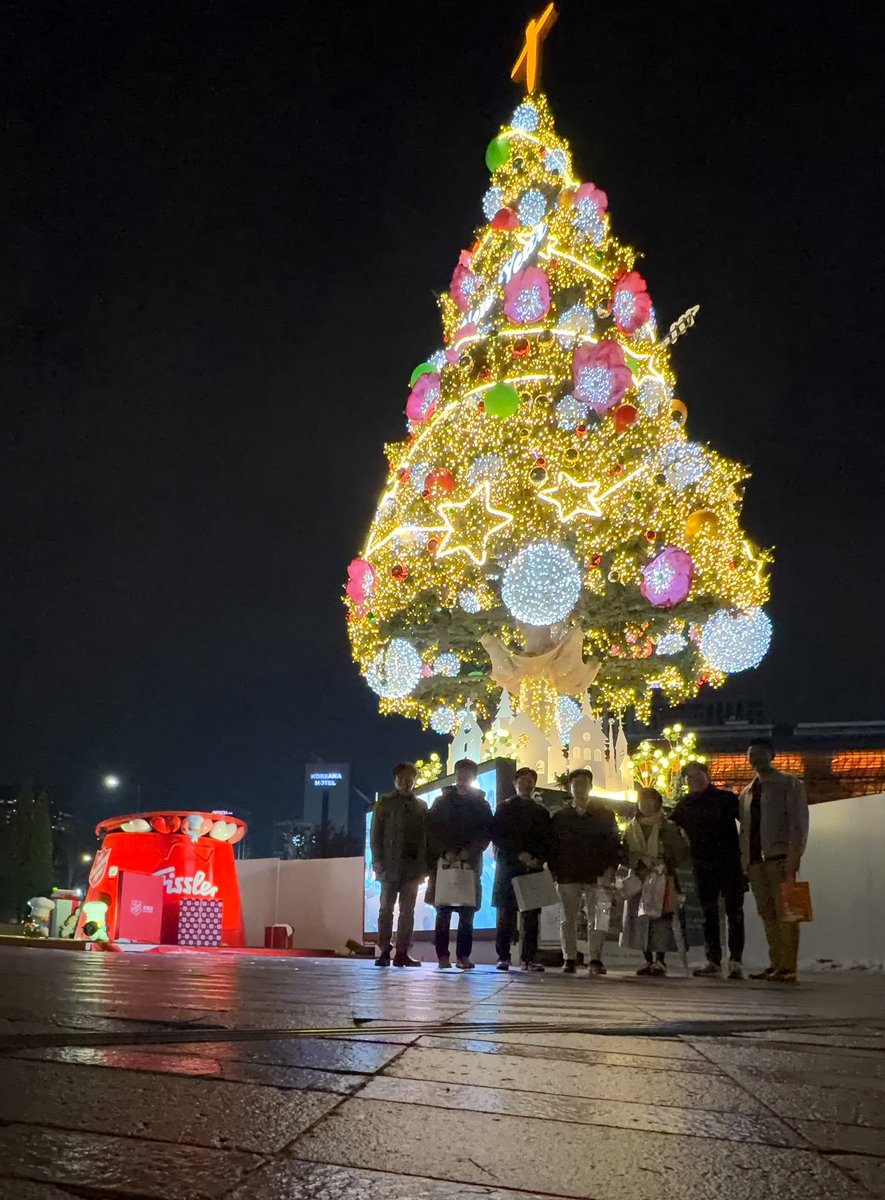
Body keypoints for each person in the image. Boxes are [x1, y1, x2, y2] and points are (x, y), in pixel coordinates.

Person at [739, 738, 809, 984]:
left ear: (772, 756)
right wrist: (745, 863)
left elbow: (798, 824)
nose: (755, 759)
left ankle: (788, 966)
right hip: (756, 863)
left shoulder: (788, 784)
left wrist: (794, 857)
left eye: (760, 754)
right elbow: (745, 831)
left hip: (779, 859)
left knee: (786, 914)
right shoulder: (747, 792)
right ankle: (775, 963)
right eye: (751, 755)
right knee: (767, 913)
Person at [672, 761, 746, 980]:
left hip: (731, 863)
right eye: (689, 778)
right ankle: (713, 960)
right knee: (708, 914)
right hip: (703, 866)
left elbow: (749, 824)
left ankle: (735, 961)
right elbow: (670, 828)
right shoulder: (685, 805)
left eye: (698, 775)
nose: (694, 780)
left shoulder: (727, 799)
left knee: (735, 913)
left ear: (707, 775)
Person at [549, 769, 621, 976]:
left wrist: (610, 869)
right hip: (567, 874)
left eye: (583, 783)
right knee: (567, 917)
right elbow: (553, 847)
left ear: (590, 786)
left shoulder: (605, 815)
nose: (579, 787)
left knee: (599, 917)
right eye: (575, 784)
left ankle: (595, 958)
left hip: (598, 873)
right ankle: (569, 958)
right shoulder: (561, 816)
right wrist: (555, 871)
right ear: (570, 788)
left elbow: (614, 844)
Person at [425, 758, 493, 970]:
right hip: (444, 862)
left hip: (470, 863)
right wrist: (444, 851)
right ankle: (442, 956)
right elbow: (431, 830)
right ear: (455, 775)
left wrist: (469, 851)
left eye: (468, 774)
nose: (463, 778)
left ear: (474, 777)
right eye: (460, 773)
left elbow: (485, 831)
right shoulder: (441, 801)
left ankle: (463, 956)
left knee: (467, 913)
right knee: (443, 911)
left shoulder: (481, 803)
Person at [622, 788, 689, 976]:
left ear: (657, 803)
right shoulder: (632, 827)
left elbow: (680, 853)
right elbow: (625, 852)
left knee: (660, 918)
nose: (645, 805)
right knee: (641, 918)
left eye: (650, 801)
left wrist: (666, 865)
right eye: (642, 800)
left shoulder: (668, 827)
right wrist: (637, 859)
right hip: (640, 877)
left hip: (662, 876)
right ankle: (647, 959)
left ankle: (660, 959)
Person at [491, 766, 551, 972]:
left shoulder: (541, 811)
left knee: (532, 915)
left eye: (530, 780)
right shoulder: (504, 808)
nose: (527, 784)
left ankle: (530, 957)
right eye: (523, 780)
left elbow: (547, 840)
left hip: (532, 868)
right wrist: (519, 854)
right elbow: (498, 835)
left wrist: (538, 859)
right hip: (509, 867)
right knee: (506, 914)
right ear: (515, 783)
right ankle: (503, 956)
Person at [370, 762, 428, 968]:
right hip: (389, 866)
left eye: (410, 780)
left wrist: (424, 867)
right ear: (395, 781)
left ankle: (402, 952)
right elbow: (376, 835)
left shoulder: (421, 806)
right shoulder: (385, 803)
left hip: (413, 869)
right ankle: (384, 950)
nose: (406, 783)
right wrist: (377, 861)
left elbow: (425, 839)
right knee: (386, 909)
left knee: (408, 911)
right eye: (402, 779)